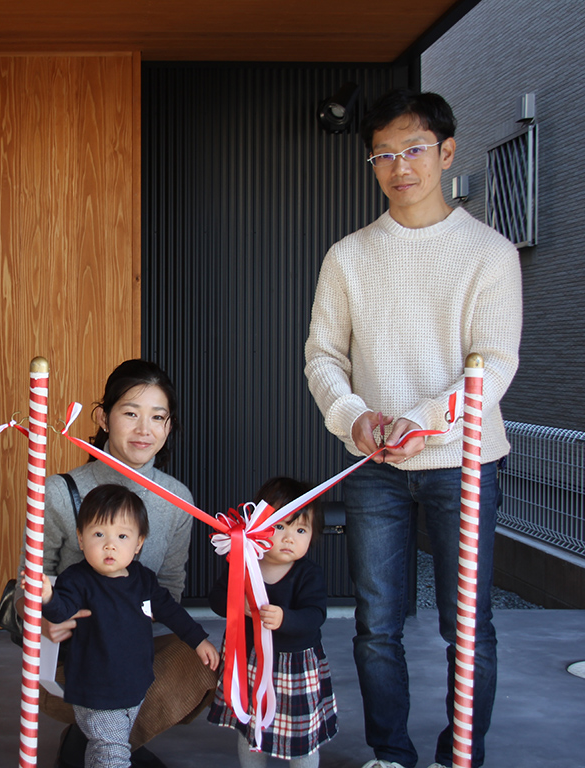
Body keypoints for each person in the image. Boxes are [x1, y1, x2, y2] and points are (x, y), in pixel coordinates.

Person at [304, 88, 522, 768]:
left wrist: (420, 422)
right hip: (373, 464)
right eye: (384, 154)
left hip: (466, 460)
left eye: (415, 149)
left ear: (446, 152)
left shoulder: (489, 253)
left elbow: (496, 363)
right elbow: (322, 356)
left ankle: (463, 755)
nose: (400, 166)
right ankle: (390, 755)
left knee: (469, 628)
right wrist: (354, 415)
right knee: (375, 626)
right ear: (372, 164)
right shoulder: (348, 256)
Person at [37, 359, 217, 767]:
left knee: (200, 658)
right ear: (102, 417)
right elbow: (28, 580)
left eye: (157, 417)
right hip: (74, 649)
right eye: (130, 413)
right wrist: (40, 617)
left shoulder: (178, 500)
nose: (144, 429)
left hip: (130, 645)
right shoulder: (60, 491)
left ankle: (103, 742)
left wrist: (128, 625)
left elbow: (169, 587)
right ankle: (104, 742)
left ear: (169, 427)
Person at [39, 484, 220, 768]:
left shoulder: (143, 579)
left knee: (105, 749)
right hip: (94, 689)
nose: (110, 545)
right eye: (98, 534)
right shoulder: (76, 580)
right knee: (114, 754)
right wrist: (48, 599)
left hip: (134, 684)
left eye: (122, 536)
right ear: (81, 538)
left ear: (138, 543)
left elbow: (171, 612)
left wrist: (198, 640)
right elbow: (61, 610)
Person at [208, 477, 337, 768]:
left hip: (294, 667)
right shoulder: (244, 562)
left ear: (313, 535)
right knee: (250, 730)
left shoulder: (308, 574)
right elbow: (216, 597)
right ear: (258, 525)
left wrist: (284, 618)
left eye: (300, 529)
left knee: (300, 735)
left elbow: (316, 615)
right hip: (249, 662)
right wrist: (236, 604)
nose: (289, 537)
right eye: (280, 526)